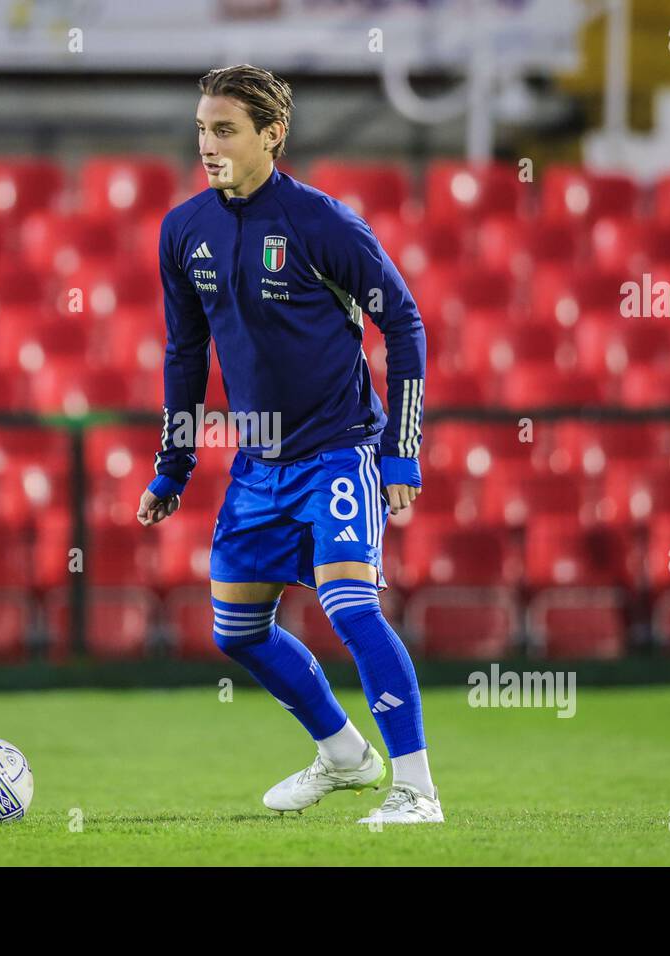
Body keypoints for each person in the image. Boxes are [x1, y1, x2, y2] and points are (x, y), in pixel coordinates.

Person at [137, 64, 441, 823]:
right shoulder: (184, 230)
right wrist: (173, 465)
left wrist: (400, 452)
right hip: (257, 465)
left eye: (226, 130)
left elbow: (403, 323)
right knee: (236, 629)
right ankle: (344, 755)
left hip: (339, 449)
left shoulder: (322, 223)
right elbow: (184, 354)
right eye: (203, 128)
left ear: (273, 135)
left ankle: (418, 790)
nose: (208, 145)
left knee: (351, 607)